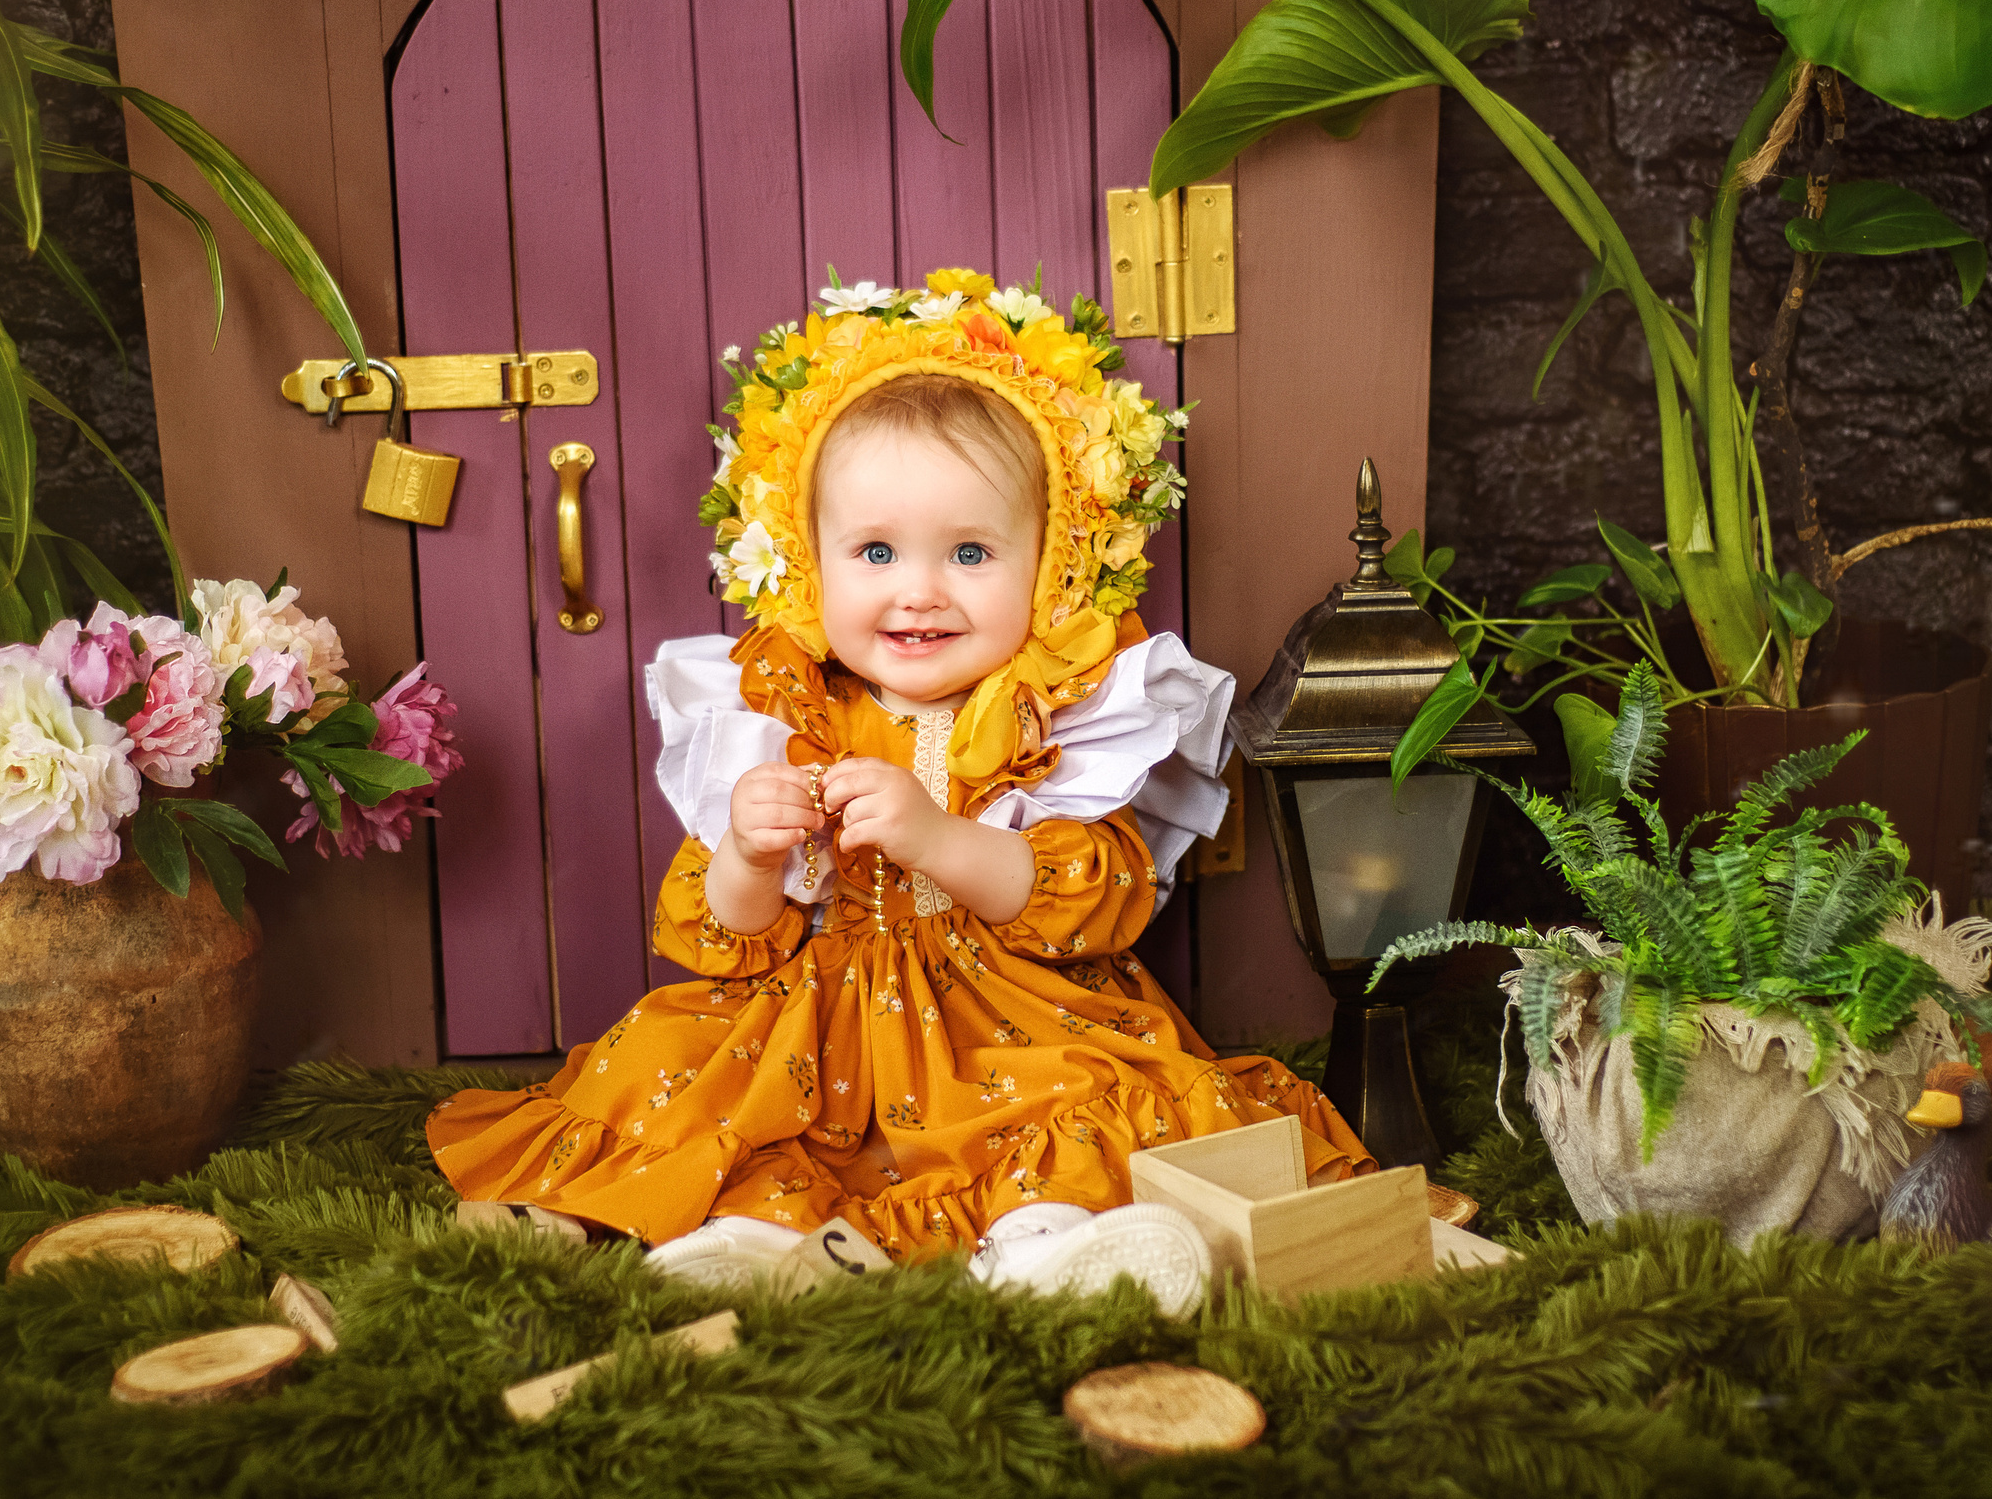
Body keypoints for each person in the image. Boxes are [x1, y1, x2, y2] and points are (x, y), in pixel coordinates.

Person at [427, 269, 1372, 1311]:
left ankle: (1044, 1240)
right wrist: (747, 851)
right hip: (808, 1012)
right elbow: (721, 935)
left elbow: (1098, 901)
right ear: (809, 562)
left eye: (970, 551)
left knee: (1076, 1094)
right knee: (685, 1062)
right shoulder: (777, 710)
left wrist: (937, 835)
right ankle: (753, 1231)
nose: (918, 588)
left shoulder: (1053, 717)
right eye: (875, 550)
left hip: (1002, 1011)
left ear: (1050, 563)